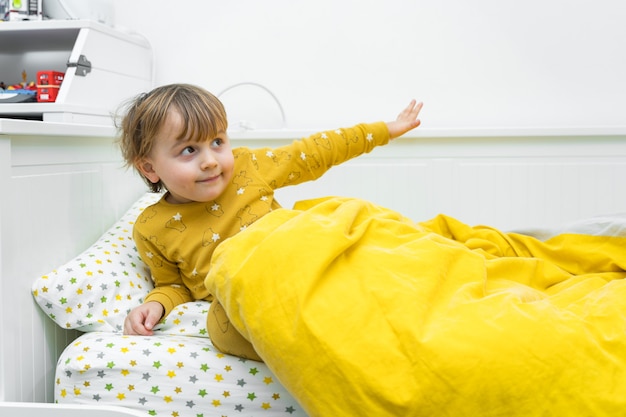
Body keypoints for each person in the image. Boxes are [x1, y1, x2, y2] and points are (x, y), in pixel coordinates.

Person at [117, 83, 423, 361]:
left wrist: (386, 130)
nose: (210, 159)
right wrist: (156, 304)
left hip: (296, 266)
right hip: (249, 299)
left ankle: (371, 312)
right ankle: (324, 348)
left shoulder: (248, 167)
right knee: (220, 329)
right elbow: (173, 285)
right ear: (149, 167)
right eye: (189, 150)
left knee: (338, 220)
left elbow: (314, 152)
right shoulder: (151, 227)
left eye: (217, 141)